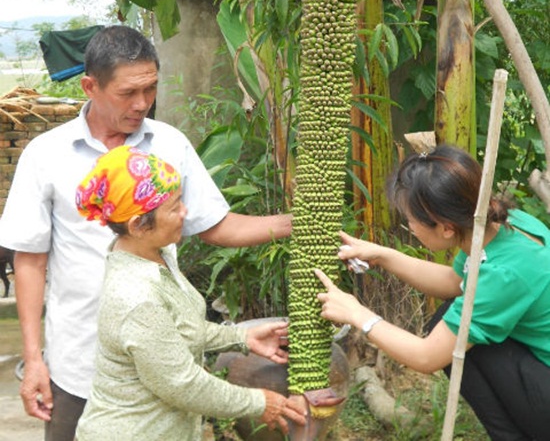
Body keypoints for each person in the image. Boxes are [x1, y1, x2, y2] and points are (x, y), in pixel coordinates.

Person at [0, 25, 292, 441]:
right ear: (90, 86)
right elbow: (29, 259)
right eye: (127, 93)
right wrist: (34, 359)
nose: (142, 104)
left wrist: (294, 224)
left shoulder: (169, 144)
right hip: (77, 361)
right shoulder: (46, 155)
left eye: (151, 89)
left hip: (163, 359)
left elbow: (213, 224)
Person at [315, 144, 550, 441]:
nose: (410, 227)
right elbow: (454, 281)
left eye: (411, 220)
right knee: (449, 321)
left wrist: (357, 314)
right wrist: (383, 255)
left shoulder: (502, 276)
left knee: (453, 339)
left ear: (447, 228)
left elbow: (427, 357)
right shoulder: (504, 224)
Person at [73, 145, 305, 440]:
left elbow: (179, 329)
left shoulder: (158, 254)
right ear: (138, 226)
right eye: (174, 208)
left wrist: (241, 337)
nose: (185, 212)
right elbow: (183, 384)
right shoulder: (134, 295)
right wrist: (259, 402)